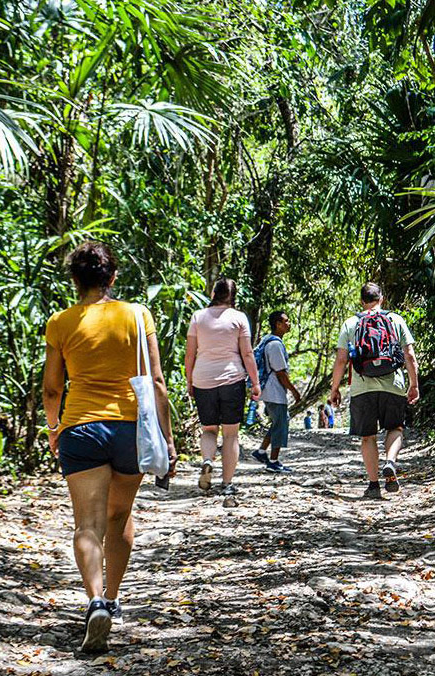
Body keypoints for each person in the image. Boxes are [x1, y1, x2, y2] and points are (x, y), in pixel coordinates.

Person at [42, 241, 175, 653]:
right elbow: (156, 382)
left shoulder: (60, 323)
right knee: (120, 516)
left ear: (75, 280)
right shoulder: (137, 314)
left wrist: (53, 428)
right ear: (112, 278)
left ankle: (95, 601)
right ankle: (113, 600)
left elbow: (51, 388)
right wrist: (168, 439)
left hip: (80, 429)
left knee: (87, 524)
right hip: (129, 430)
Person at [329, 282, 419, 499]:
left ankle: (373, 486)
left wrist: (335, 389)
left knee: (368, 437)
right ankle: (390, 462)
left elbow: (341, 359)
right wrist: (414, 384)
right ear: (382, 299)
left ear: (361, 301)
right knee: (395, 428)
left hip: (362, 388)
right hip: (393, 386)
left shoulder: (351, 323)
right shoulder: (395, 319)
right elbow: (409, 355)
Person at [185, 278, 261, 503]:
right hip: (232, 379)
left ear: (213, 292)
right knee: (230, 434)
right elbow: (247, 353)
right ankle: (227, 484)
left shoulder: (198, 317)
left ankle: (208, 460)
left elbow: (190, 353)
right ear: (233, 295)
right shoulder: (238, 318)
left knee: (209, 429)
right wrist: (255, 383)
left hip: (203, 379)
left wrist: (190, 380)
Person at [252, 311, 302, 473]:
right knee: (281, 424)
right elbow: (280, 372)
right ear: (278, 324)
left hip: (270, 390)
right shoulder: (274, 345)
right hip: (274, 391)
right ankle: (273, 461)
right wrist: (294, 391)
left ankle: (261, 452)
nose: (289, 324)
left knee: (278, 422)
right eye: (286, 321)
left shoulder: (269, 341)